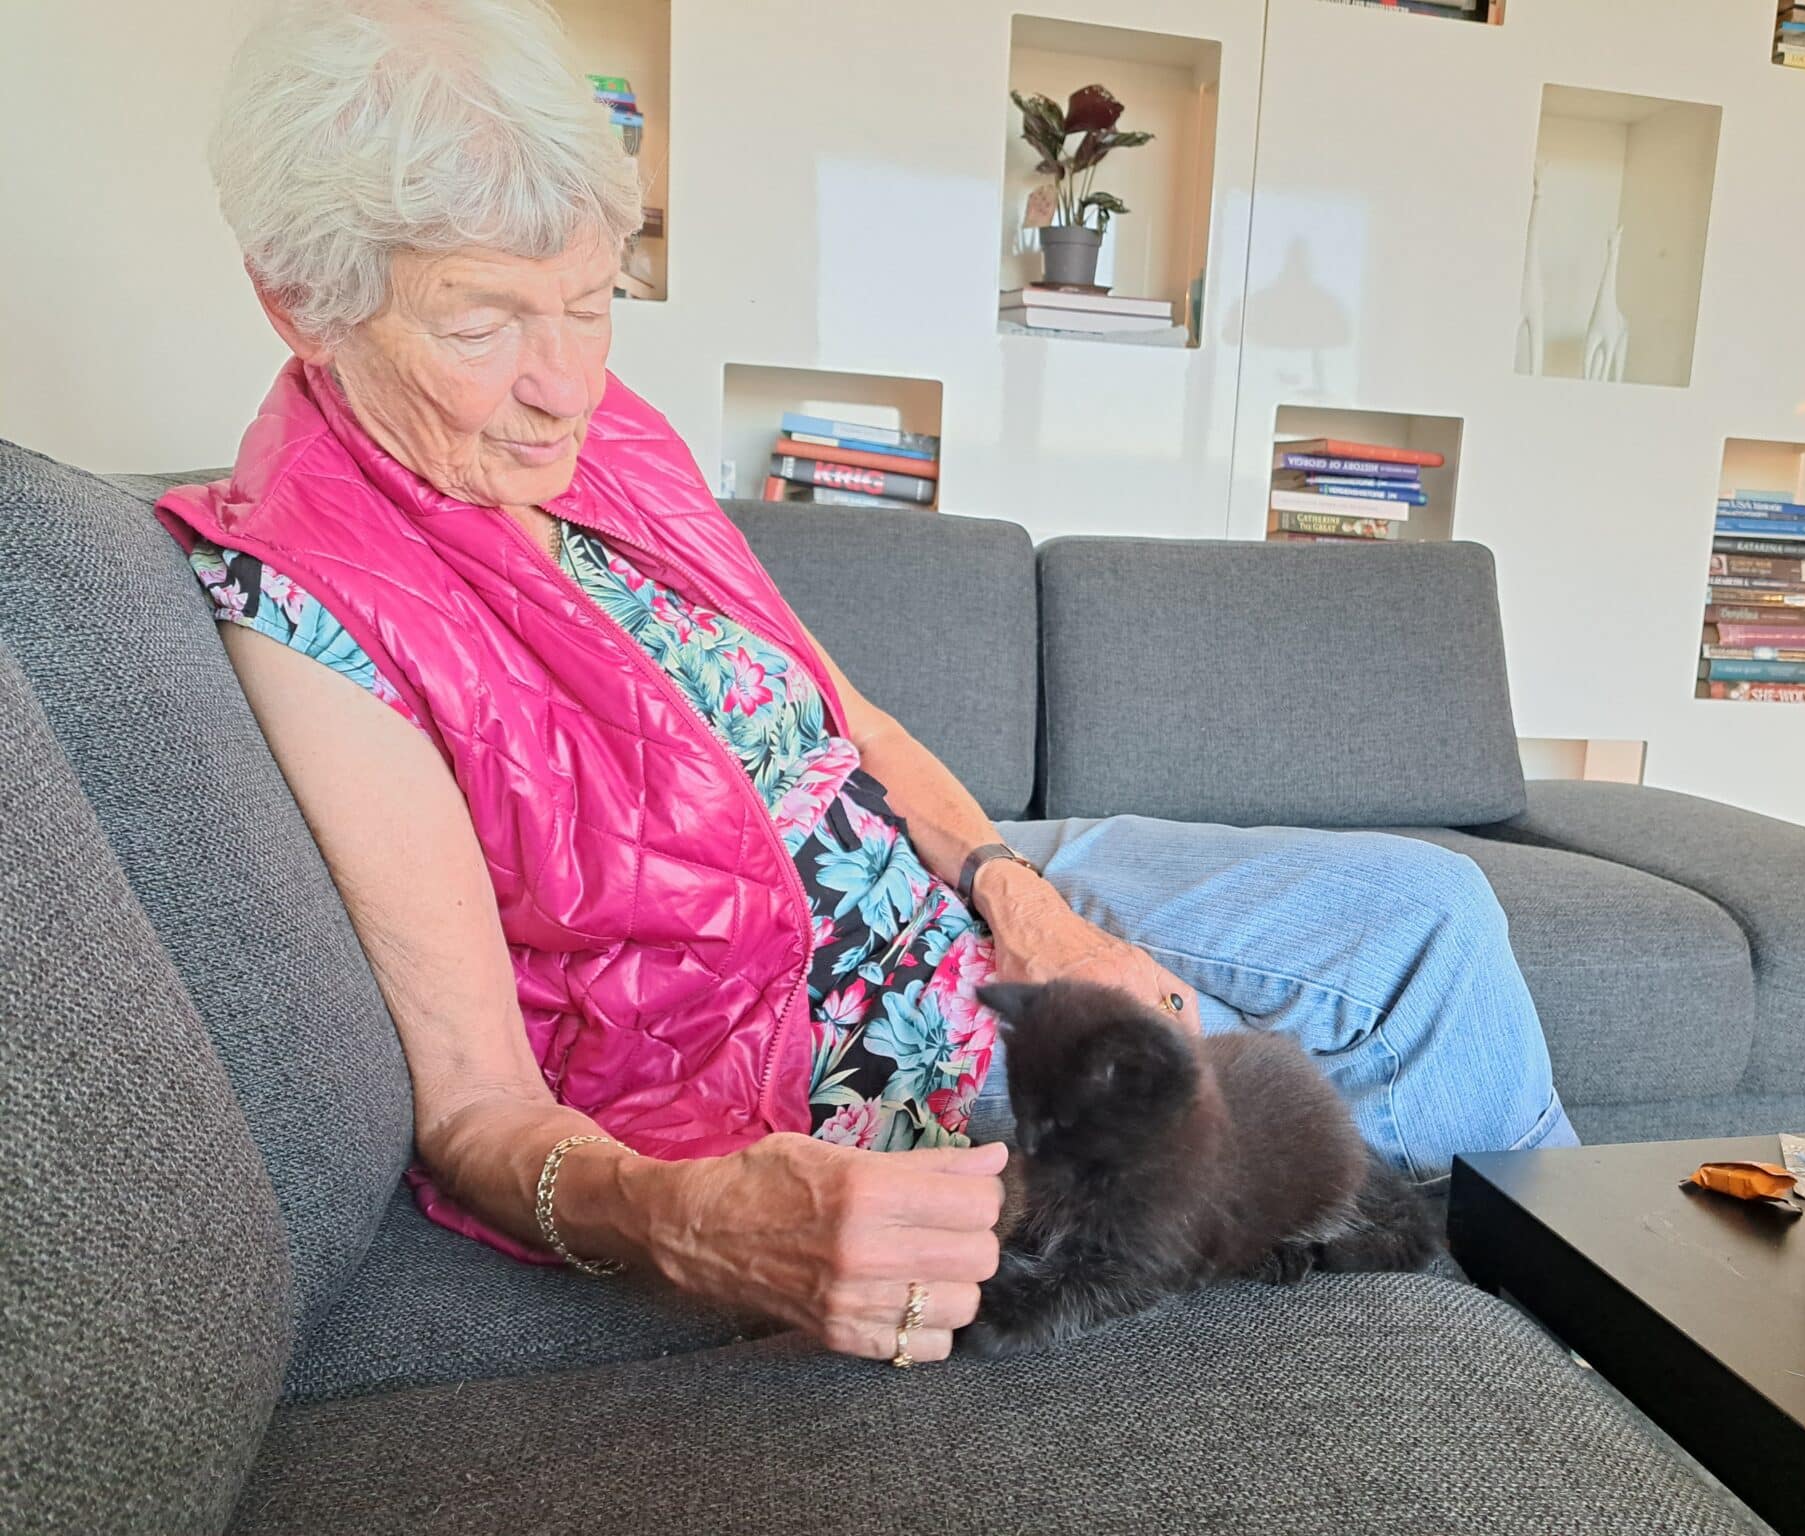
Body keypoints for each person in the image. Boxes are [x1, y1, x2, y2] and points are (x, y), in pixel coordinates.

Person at [160, 0, 1574, 1369]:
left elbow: (855, 720)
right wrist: (680, 1218)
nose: (565, 385)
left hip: (960, 894)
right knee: (1287, 1106)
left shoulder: (611, 439)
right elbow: (475, 1110)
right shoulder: (313, 603)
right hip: (824, 1042)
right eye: (481, 327)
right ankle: (1493, 1352)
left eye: (590, 304)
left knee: (1432, 914)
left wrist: (1026, 904)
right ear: (300, 302)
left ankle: (1577, 1326)